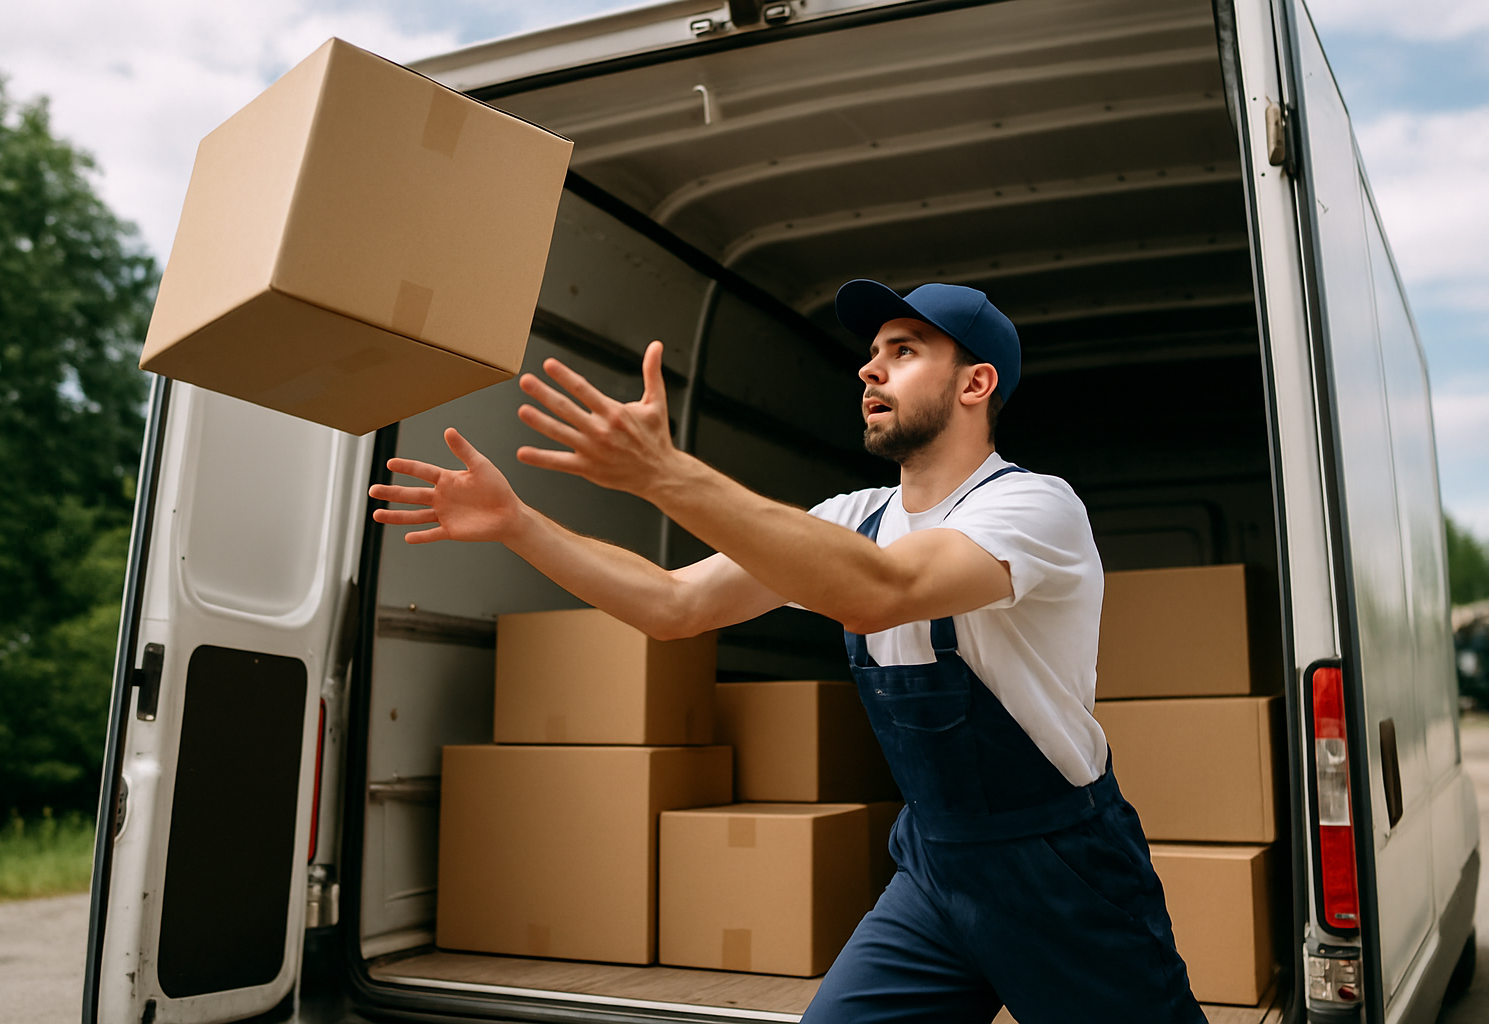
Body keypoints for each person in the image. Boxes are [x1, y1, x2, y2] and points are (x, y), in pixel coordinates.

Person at [369, 280, 1206, 1024]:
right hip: (935, 870)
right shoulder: (853, 517)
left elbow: (882, 591)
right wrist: (520, 525)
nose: (869, 370)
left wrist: (665, 475)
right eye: (871, 354)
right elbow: (675, 604)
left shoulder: (1033, 507)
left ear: (975, 383)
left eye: (904, 351)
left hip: (1061, 874)